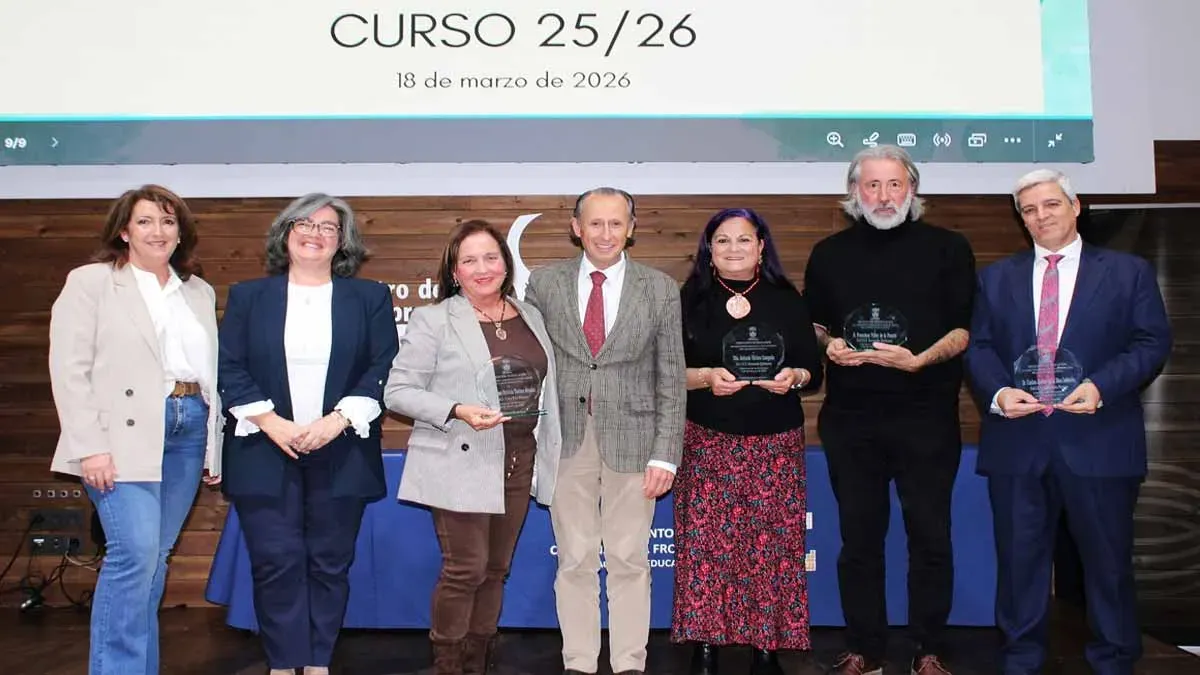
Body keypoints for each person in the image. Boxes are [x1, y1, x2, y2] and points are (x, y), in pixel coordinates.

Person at [965, 169, 1171, 675]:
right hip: (1018, 441)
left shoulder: (1128, 272)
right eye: (1029, 210)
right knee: (1019, 564)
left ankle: (1115, 659)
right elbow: (981, 347)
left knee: (1107, 564)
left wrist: (1101, 385)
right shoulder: (995, 278)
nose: (1040, 217)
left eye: (1050, 205)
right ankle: (1020, 658)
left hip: (1100, 440)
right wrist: (997, 392)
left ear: (1075, 206)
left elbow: (1151, 343)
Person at [802, 145, 976, 675]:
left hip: (926, 417)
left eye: (894, 184)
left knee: (930, 536)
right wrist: (827, 346)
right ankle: (865, 648)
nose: (883, 195)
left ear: (912, 189)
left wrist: (921, 359)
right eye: (871, 185)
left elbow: (965, 328)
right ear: (854, 192)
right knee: (859, 539)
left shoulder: (949, 248)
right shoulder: (829, 253)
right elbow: (813, 324)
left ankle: (929, 649)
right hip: (853, 420)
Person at [216, 193, 399, 675]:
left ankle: (317, 662)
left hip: (342, 447)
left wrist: (335, 421)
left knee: (329, 562)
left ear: (343, 242)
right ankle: (284, 662)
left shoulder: (369, 298)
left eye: (328, 227)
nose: (314, 233)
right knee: (275, 562)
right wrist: (272, 423)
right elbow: (230, 367)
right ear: (285, 232)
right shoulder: (248, 296)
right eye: (304, 223)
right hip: (262, 445)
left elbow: (383, 366)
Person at [48, 184, 222, 675]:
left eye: (168, 221)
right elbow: (69, 369)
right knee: (134, 557)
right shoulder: (92, 282)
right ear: (124, 231)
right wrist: (90, 447)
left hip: (188, 430)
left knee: (155, 560)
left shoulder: (197, 290)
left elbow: (208, 375)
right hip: (121, 437)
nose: (159, 231)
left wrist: (213, 447)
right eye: (145, 221)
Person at [384, 219, 563, 675]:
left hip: (519, 458)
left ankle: (478, 659)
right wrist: (457, 408)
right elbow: (397, 391)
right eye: (469, 260)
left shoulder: (530, 315)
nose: (482, 268)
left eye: (490, 257)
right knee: (466, 568)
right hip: (461, 456)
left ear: (505, 262)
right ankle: (447, 663)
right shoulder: (434, 319)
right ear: (454, 270)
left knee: (497, 569)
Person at [523, 187, 686, 675]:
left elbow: (672, 376)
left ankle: (629, 663)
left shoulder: (659, 288)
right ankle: (578, 662)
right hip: (566, 438)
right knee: (573, 557)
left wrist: (666, 455)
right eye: (595, 223)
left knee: (629, 558)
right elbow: (532, 368)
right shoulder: (544, 285)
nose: (606, 234)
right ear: (577, 227)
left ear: (632, 229)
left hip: (636, 443)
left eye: (616, 224)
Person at [672, 208, 823, 675]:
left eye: (743, 239)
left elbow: (812, 372)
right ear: (708, 251)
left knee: (771, 548)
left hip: (774, 440)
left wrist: (794, 376)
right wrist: (702, 378)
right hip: (707, 438)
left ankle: (766, 647)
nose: (733, 248)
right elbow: (667, 370)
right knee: (704, 546)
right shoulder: (688, 298)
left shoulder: (787, 298)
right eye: (722, 241)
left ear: (761, 247)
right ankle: (705, 647)